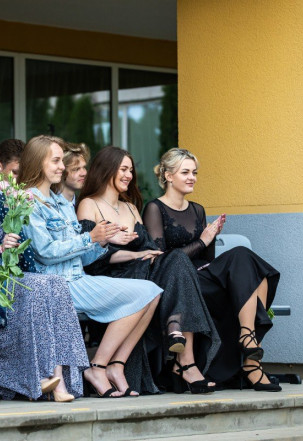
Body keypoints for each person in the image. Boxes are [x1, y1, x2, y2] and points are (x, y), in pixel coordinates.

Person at [19, 135, 162, 398]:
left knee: (151, 291)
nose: (62, 166)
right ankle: (98, 367)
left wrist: (103, 241)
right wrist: (90, 238)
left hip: (78, 279)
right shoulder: (27, 201)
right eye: (56, 161)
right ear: (38, 163)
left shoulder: (61, 202)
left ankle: (109, 365)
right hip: (56, 286)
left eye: (61, 161)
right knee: (146, 292)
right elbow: (45, 252)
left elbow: (84, 258)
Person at [0, 138, 89, 402]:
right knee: (39, 287)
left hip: (8, 277)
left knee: (54, 283)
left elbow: (24, 253)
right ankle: (42, 375)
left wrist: (16, 236)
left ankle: (59, 377)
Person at [77, 146, 219, 394]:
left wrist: (146, 254)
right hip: (111, 276)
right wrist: (133, 253)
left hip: (141, 271)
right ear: (107, 169)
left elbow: (149, 249)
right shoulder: (89, 205)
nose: (129, 175)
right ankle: (183, 356)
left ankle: (177, 339)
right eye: (123, 169)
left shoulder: (131, 208)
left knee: (176, 260)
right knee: (174, 266)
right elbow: (90, 258)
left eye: (130, 170)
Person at [142, 148, 281, 392]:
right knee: (234, 272)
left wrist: (209, 241)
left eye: (194, 172)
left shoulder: (198, 210)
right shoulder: (154, 208)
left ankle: (247, 339)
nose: (192, 177)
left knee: (245, 258)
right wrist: (202, 241)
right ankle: (248, 363)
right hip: (175, 282)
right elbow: (162, 259)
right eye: (185, 172)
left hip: (202, 277)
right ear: (168, 176)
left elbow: (208, 260)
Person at [60, 142, 89, 207]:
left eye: (84, 167)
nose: (84, 173)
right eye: (76, 169)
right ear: (61, 171)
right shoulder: (49, 205)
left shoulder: (82, 204)